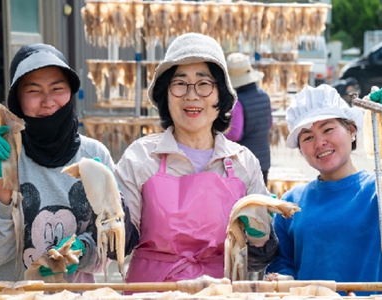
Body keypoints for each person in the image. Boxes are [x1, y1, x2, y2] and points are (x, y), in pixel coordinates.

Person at [0, 43, 134, 289]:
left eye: (57, 88)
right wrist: (3, 187)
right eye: (34, 91)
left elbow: (111, 244)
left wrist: (82, 250)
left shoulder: (93, 156)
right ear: (17, 99)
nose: (47, 101)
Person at [114, 33, 278, 284]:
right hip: (151, 291)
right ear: (165, 96)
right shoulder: (139, 158)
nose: (192, 95)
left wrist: (260, 236)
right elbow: (119, 246)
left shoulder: (244, 162)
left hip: (222, 291)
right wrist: (109, 213)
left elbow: (257, 260)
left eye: (204, 84)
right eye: (179, 84)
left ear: (220, 96)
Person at [266, 85, 382, 295]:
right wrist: (282, 277)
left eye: (328, 129)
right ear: (301, 149)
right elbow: (281, 261)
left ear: (352, 130)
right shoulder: (292, 202)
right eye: (307, 137)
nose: (320, 143)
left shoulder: (381, 192)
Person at [224, 52, 273, 185]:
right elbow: (269, 124)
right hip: (264, 160)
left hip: (245, 163)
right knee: (260, 201)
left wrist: (217, 133)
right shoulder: (264, 96)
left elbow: (235, 135)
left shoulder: (238, 103)